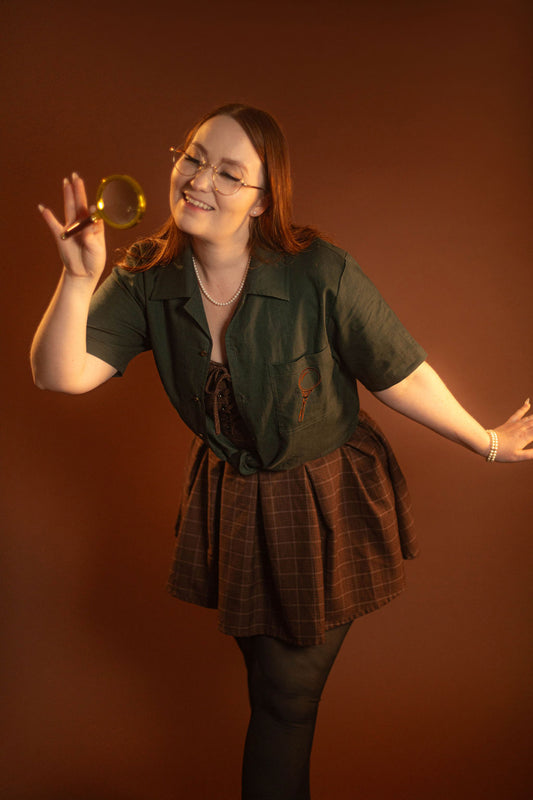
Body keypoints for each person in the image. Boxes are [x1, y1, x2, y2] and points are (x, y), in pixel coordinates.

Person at [31, 103, 533, 800]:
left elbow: (398, 371)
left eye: (230, 172)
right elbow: (61, 375)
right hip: (233, 498)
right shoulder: (146, 271)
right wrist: (79, 278)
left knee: (287, 698)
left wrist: (486, 443)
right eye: (194, 157)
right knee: (268, 686)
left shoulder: (317, 270)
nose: (200, 180)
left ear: (262, 198)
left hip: (323, 495)